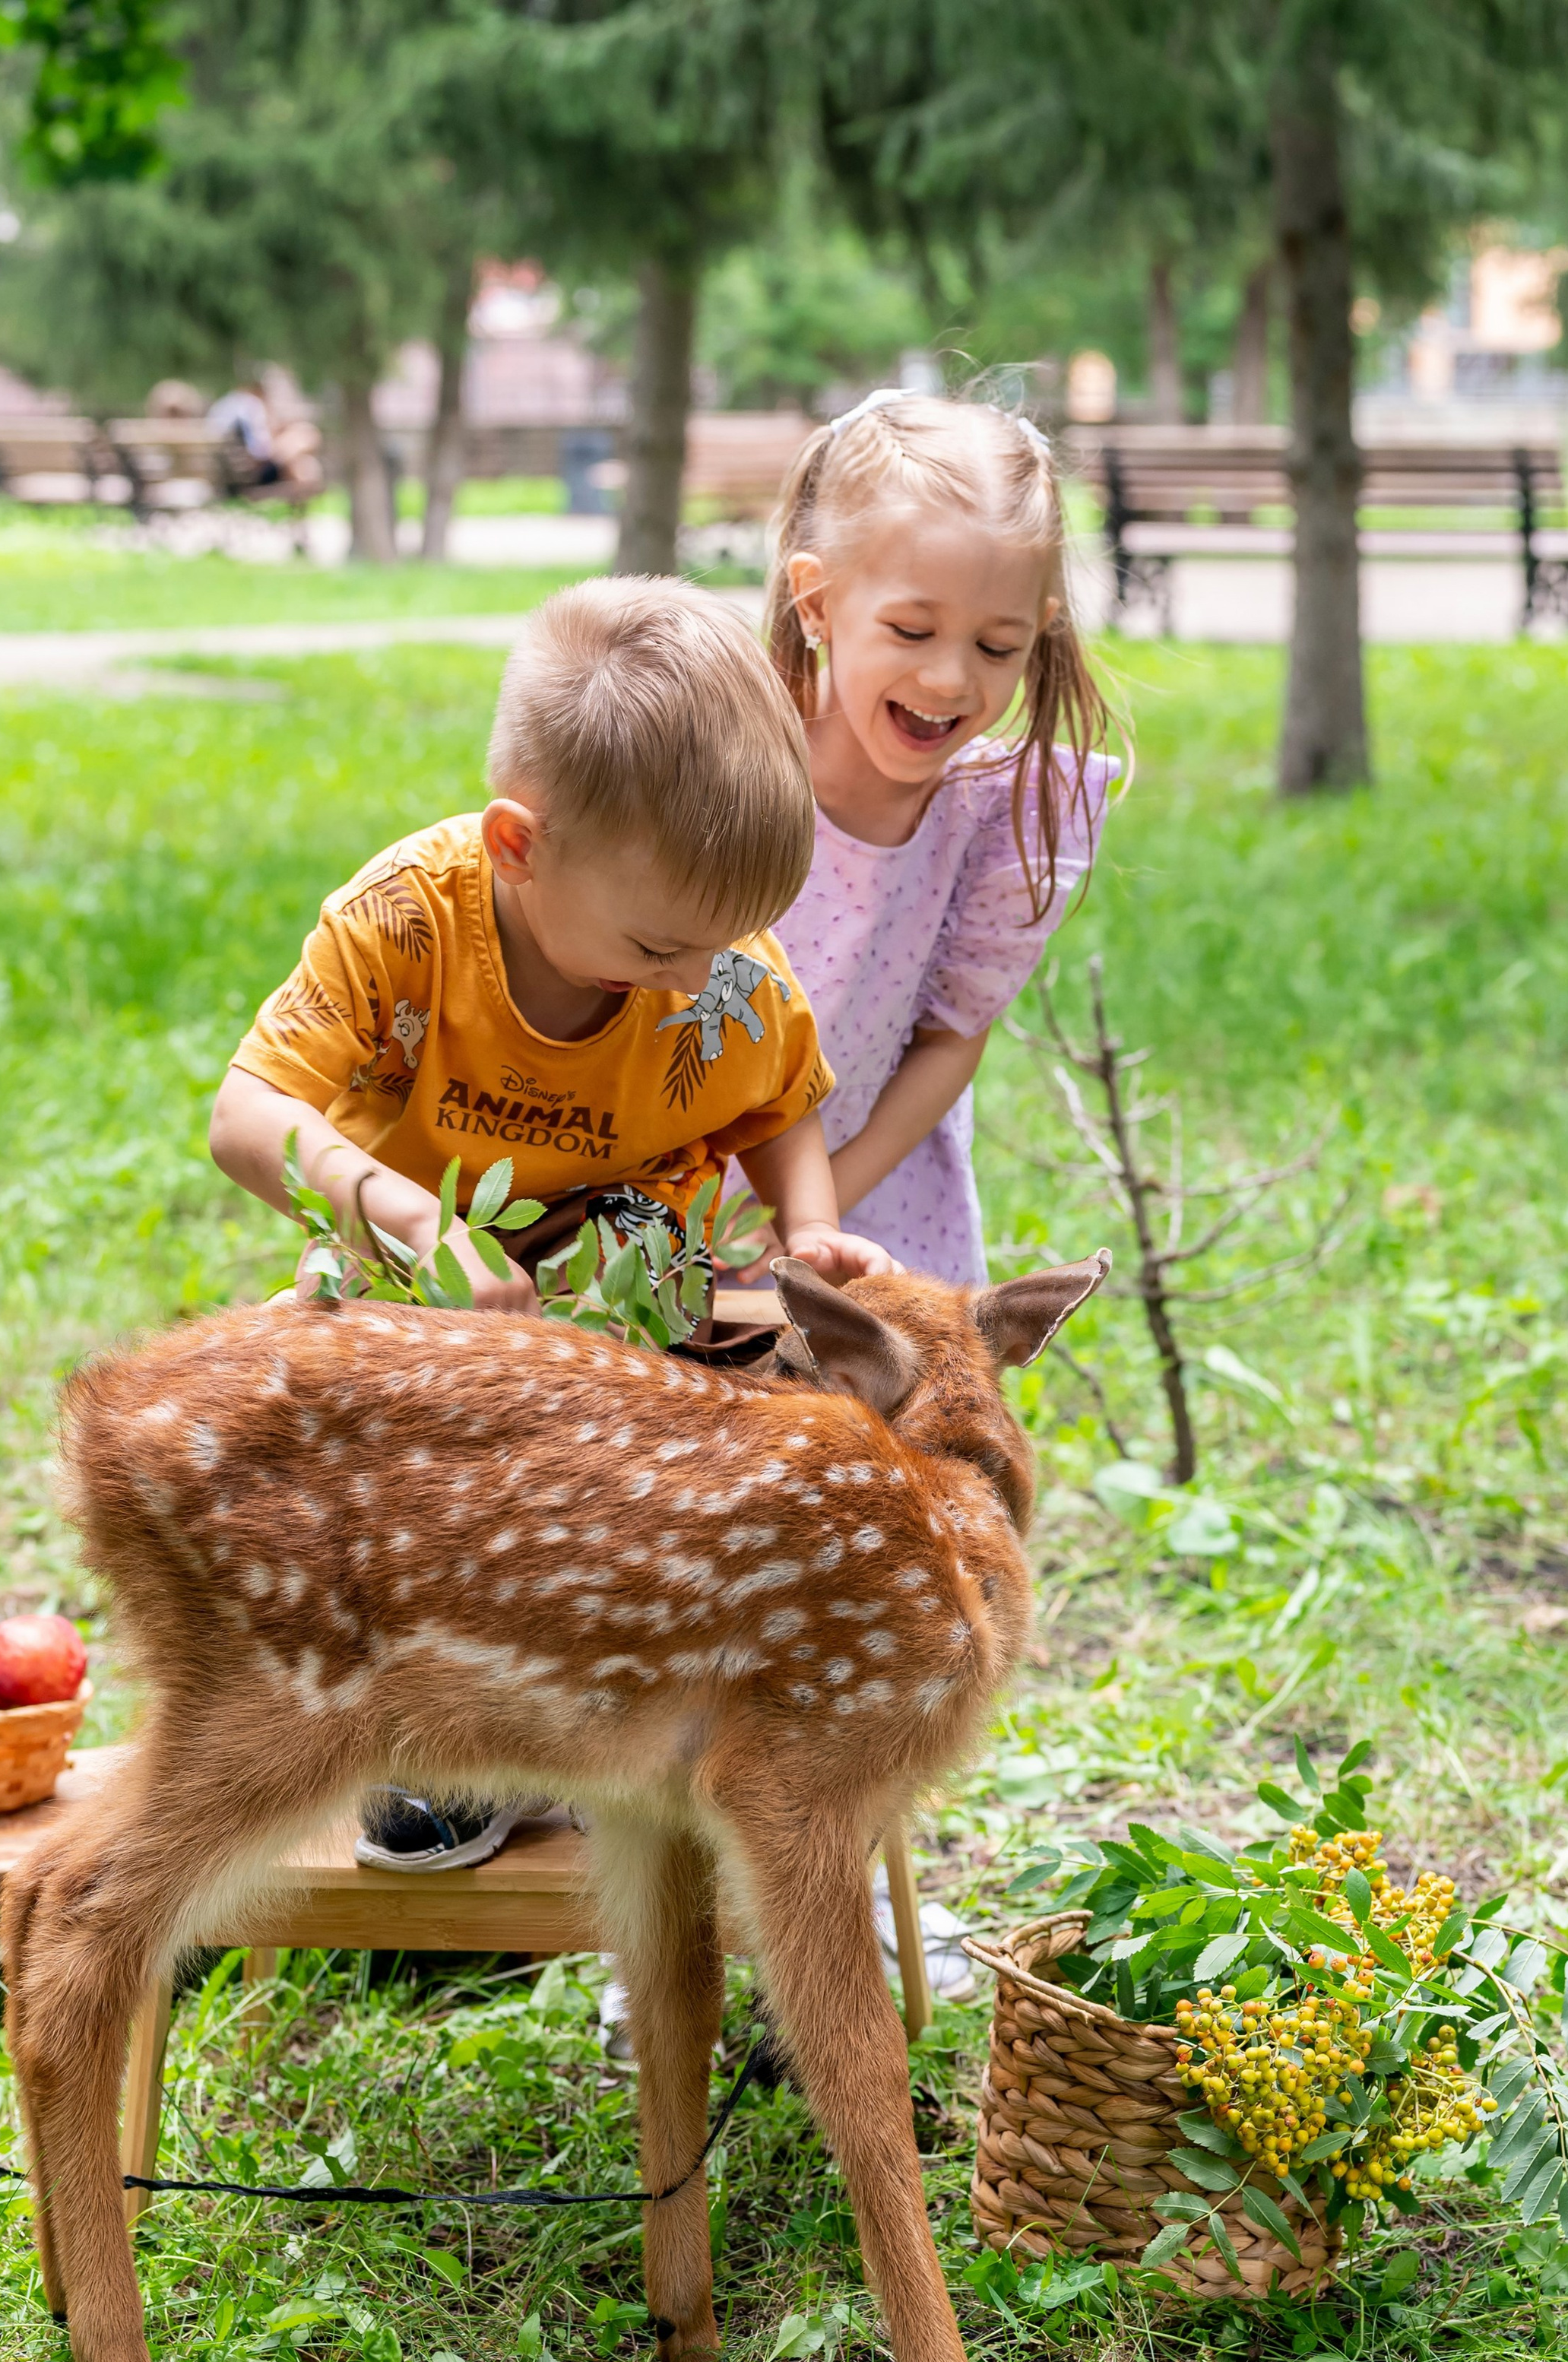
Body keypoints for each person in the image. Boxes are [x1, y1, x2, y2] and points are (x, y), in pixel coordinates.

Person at [210, 575, 894, 1869]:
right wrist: (419, 1225)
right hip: (426, 1314)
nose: (700, 983)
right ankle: (450, 1745)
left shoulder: (717, 956)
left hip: (649, 1291)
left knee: (790, 1407)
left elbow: (779, 1094)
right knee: (380, 1469)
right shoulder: (405, 923)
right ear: (518, 845)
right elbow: (247, 1116)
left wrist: (808, 1230)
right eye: (657, 950)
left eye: (725, 946)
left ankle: (643, 1716)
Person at [752, 388, 1120, 1287]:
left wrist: (814, 1219)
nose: (951, 677)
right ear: (816, 602)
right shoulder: (726, 764)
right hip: (675, 1184)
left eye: (997, 649)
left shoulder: (1001, 811)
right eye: (910, 630)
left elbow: (953, 1035)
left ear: (1038, 633)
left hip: (874, 1198)